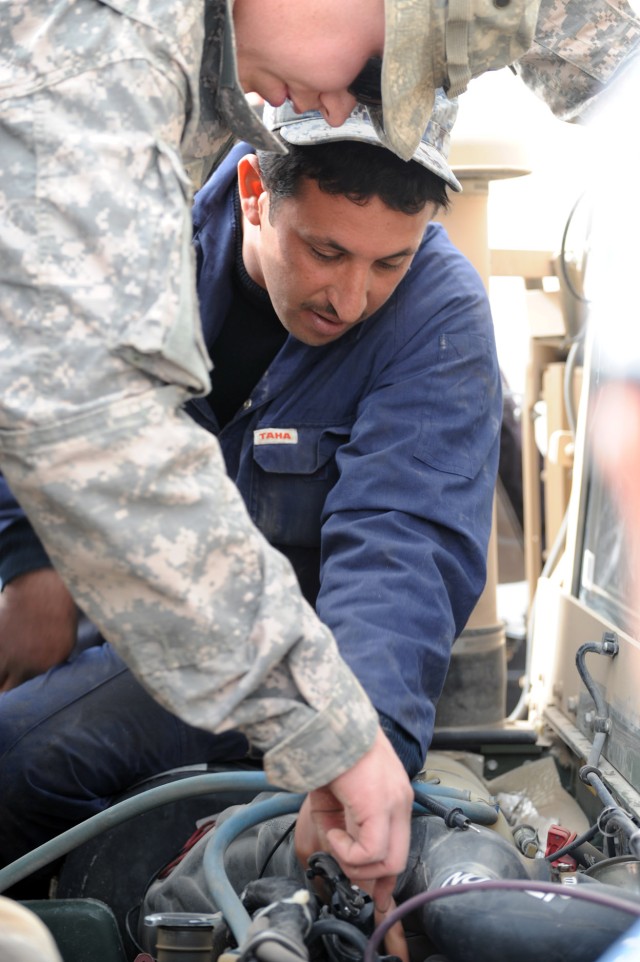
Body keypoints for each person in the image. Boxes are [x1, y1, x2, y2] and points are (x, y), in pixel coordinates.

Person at [0, 94, 500, 887]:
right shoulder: (136, 241)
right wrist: (28, 557)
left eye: (389, 263)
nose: (352, 298)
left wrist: (354, 755)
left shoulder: (439, 315)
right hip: (114, 605)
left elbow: (403, 543)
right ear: (254, 193)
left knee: (24, 756)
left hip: (267, 664)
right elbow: (39, 388)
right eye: (326, 251)